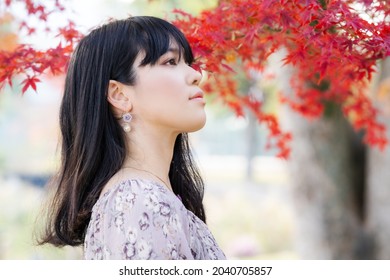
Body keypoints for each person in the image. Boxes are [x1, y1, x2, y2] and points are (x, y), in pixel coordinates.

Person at [38, 15, 226, 260]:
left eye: (188, 62)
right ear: (119, 95)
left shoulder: (147, 196)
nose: (194, 74)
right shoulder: (138, 200)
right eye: (170, 61)